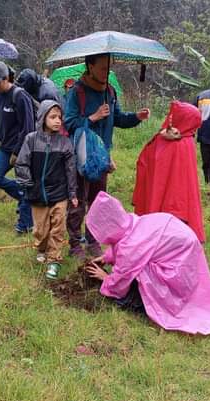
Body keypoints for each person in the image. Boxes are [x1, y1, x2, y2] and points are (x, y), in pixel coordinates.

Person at [84, 192, 210, 335]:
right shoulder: (133, 222)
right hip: (184, 259)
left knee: (132, 285)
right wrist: (107, 257)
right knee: (139, 264)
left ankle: (141, 303)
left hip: (177, 269)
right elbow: (123, 241)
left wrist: (105, 278)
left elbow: (121, 279)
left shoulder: (131, 247)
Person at [64, 53, 150, 260]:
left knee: (98, 201)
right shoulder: (77, 92)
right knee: (78, 201)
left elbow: (118, 118)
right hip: (82, 155)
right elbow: (69, 123)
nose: (106, 72)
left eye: (109, 67)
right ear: (90, 66)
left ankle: (93, 241)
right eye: (102, 68)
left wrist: (136, 117)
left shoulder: (110, 91)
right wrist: (92, 118)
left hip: (102, 157)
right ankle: (75, 244)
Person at [15, 100, 78, 279]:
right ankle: (42, 248)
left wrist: (72, 193)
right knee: (41, 230)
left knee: (58, 227)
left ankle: (54, 260)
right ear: (43, 118)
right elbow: (21, 163)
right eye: (53, 117)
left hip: (59, 193)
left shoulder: (65, 143)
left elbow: (70, 169)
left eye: (59, 117)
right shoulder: (31, 140)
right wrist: (27, 182)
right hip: (37, 193)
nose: (57, 120)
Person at [132, 101, 205, 242]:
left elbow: (146, 161)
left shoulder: (177, 142)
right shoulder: (187, 140)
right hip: (178, 206)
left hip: (170, 203)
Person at [0, 61, 35, 233]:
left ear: (6, 79)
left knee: (25, 183)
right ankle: (23, 197)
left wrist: (17, 151)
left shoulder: (20, 96)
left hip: (24, 149)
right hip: (5, 148)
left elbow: (28, 128)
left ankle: (25, 226)